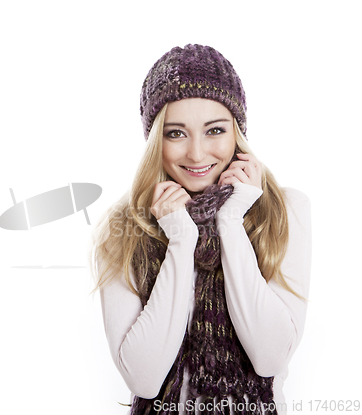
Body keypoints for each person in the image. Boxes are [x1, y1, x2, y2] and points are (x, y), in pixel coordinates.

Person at [90, 44, 311, 415]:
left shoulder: (284, 209)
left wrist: (230, 222)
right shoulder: (121, 228)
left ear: (237, 132)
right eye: (176, 133)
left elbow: (269, 358)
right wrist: (180, 237)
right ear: (154, 141)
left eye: (215, 130)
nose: (196, 153)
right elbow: (144, 379)